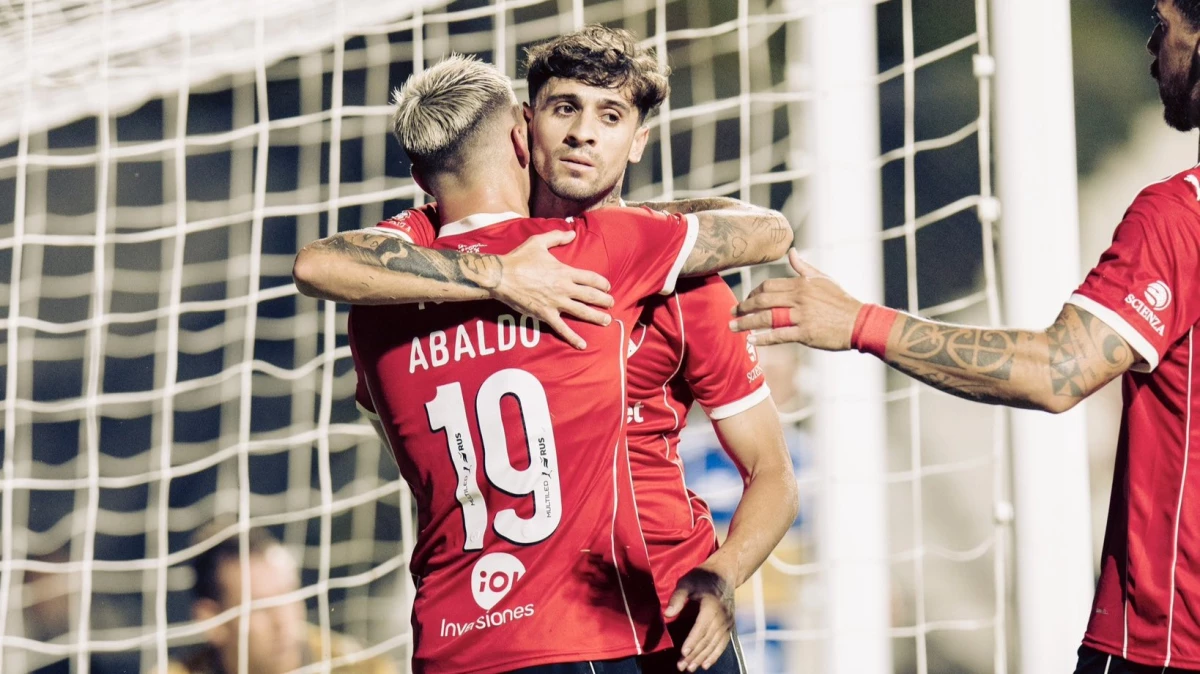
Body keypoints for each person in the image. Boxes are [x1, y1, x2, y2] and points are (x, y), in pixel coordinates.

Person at [294, 26, 799, 674]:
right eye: (565, 108)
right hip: (576, 630)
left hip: (658, 613)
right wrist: (503, 275)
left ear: (638, 140)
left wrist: (725, 572)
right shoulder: (591, 253)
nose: (583, 133)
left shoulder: (386, 287)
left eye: (610, 116)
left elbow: (772, 472)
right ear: (525, 128)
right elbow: (769, 229)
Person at [728, 1, 1200, 671]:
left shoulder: (1179, 216)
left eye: (1165, 22)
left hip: (1167, 644)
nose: (1152, 43)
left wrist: (858, 322)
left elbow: (1058, 370)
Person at [164, 526, 396, 674]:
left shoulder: (364, 669)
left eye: (290, 595)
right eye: (260, 607)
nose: (283, 621)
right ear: (212, 620)